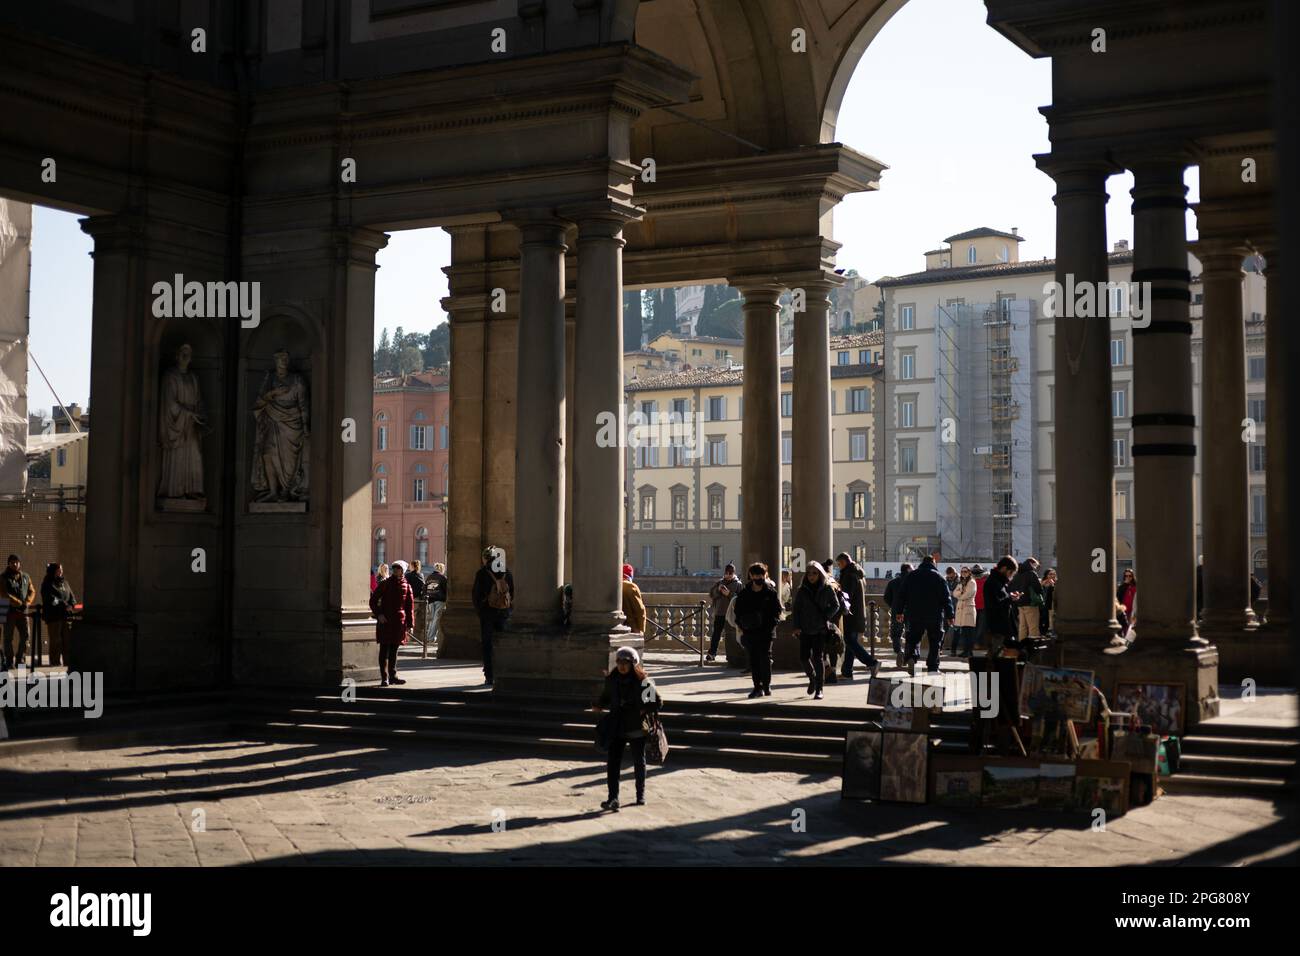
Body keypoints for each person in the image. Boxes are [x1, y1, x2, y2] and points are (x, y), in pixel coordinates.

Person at [595, 646, 661, 811]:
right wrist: (599, 705)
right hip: (617, 726)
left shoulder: (643, 682)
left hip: (636, 726)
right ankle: (613, 798)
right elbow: (606, 697)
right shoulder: (612, 679)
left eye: (626, 662)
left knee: (639, 761)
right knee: (613, 763)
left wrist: (644, 709)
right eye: (619, 662)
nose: (622, 665)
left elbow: (657, 703)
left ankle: (640, 795)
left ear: (633, 664)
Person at [898, 553, 954, 675]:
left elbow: (902, 595)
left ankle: (912, 658)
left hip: (914, 614)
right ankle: (933, 668)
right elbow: (946, 598)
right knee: (935, 641)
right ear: (933, 563)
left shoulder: (911, 575)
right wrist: (950, 615)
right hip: (934, 615)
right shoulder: (939, 577)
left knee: (913, 638)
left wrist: (899, 611)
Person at [733, 562, 783, 697]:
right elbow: (738, 612)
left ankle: (766, 685)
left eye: (761, 574)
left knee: (765, 658)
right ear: (751, 575)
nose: (758, 577)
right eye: (755, 575)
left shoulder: (770, 592)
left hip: (766, 631)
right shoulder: (744, 593)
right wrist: (743, 626)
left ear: (765, 575)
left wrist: (772, 625)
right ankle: (757, 687)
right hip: (750, 631)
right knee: (754, 659)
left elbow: (777, 611)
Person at [791, 561, 839, 700]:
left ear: (820, 574)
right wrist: (796, 626)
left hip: (820, 629)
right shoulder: (802, 589)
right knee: (803, 657)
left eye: (815, 573)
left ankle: (819, 688)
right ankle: (812, 678)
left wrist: (825, 616)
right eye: (809, 573)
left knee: (818, 658)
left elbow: (835, 605)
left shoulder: (827, 588)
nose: (812, 576)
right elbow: (796, 610)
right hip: (805, 628)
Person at [471, 547, 514, 685]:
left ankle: (489, 675)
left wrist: (481, 611)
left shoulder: (482, 573)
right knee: (503, 643)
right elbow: (512, 593)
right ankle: (504, 673)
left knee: (487, 644)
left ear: (486, 558)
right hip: (504, 613)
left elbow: (476, 595)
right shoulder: (507, 572)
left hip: (487, 613)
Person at [368, 559, 414, 686]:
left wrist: (410, 625)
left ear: (403, 570)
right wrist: (379, 614)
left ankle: (393, 676)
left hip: (399, 622)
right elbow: (373, 601)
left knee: (394, 649)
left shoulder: (407, 586)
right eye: (394, 568)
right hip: (386, 621)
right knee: (384, 649)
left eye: (398, 568)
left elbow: (409, 607)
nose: (395, 570)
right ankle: (385, 678)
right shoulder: (385, 583)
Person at [835, 552, 880, 680]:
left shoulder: (849, 575)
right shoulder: (858, 574)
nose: (839, 567)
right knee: (851, 643)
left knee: (850, 641)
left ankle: (872, 663)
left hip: (851, 614)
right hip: (859, 613)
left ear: (844, 562)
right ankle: (847, 672)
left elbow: (846, 596)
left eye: (839, 564)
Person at [983, 556, 1021, 658]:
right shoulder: (993, 582)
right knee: (996, 658)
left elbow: (1002, 599)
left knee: (1002, 658)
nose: (1010, 576)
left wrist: (1010, 597)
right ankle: (991, 674)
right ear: (1004, 568)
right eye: (1010, 573)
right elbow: (995, 604)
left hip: (1003, 627)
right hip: (997, 628)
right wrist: (1010, 599)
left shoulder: (1000, 582)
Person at [2, 554, 35, 671]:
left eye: (17, 562)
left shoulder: (26, 576)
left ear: (20, 563)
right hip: (9, 612)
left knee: (26, 635)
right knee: (8, 638)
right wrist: (18, 603)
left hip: (23, 612)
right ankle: (9, 661)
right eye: (12, 562)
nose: (15, 564)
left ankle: (20, 660)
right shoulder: (3, 577)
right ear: (9, 563)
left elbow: (32, 591)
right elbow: (4, 594)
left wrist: (27, 602)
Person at [40, 563, 77, 668]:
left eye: (61, 569)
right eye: (58, 570)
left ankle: (67, 661)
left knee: (67, 640)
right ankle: (55, 661)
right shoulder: (47, 583)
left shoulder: (65, 583)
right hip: (54, 616)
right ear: (53, 571)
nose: (60, 571)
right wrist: (63, 604)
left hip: (66, 616)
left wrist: (72, 604)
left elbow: (71, 596)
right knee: (56, 640)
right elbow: (51, 599)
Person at [706, 564, 741, 662]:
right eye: (727, 573)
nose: (728, 575)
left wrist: (729, 594)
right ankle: (712, 653)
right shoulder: (719, 583)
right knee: (716, 634)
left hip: (731, 613)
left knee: (731, 634)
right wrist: (718, 590)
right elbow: (711, 594)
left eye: (730, 573)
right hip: (719, 612)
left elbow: (740, 598)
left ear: (734, 573)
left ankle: (733, 654)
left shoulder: (738, 584)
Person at [882, 563, 912, 667]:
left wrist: (893, 605)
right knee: (910, 634)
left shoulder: (893, 582)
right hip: (911, 612)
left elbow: (886, 597)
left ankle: (899, 651)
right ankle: (909, 656)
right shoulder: (913, 582)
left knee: (896, 634)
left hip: (897, 612)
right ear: (908, 569)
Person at [1010, 556, 1045, 640]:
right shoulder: (1031, 573)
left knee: (1022, 626)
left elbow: (1012, 587)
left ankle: (1022, 646)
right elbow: (1038, 588)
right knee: (1033, 626)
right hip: (1030, 603)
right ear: (1031, 564)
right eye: (1035, 565)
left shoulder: (1017, 574)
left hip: (1019, 603)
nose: (1036, 568)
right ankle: (1033, 648)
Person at [951, 566, 978, 658]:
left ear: (969, 572)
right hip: (961, 609)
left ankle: (968, 651)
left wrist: (960, 594)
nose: (963, 573)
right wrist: (961, 593)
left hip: (968, 609)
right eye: (962, 571)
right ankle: (966, 651)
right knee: (965, 633)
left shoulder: (972, 582)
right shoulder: (961, 582)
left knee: (969, 632)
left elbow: (968, 594)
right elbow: (954, 593)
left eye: (965, 571)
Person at [425, 562, 448, 645]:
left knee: (431, 619)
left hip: (430, 600)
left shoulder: (429, 577)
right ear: (442, 569)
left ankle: (428, 637)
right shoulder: (443, 578)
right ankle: (431, 638)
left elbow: (424, 588)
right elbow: (446, 590)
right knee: (436, 619)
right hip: (440, 600)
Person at [621, 564, 646, 634]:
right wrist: (641, 629)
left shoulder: (614, 585)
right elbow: (640, 610)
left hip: (616, 625)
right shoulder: (631, 586)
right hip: (631, 627)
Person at [1116, 569, 1137, 641]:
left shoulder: (1135, 586)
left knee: (1131, 628)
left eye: (1130, 576)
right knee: (1124, 627)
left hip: (1132, 611)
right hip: (1124, 611)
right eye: (1126, 576)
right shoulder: (1121, 587)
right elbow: (1118, 598)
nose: (1128, 577)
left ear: (1132, 577)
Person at [970, 564, 988, 651]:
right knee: (981, 626)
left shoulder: (970, 581)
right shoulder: (986, 580)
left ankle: (974, 644)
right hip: (982, 606)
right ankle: (977, 643)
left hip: (973, 606)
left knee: (974, 626)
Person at [1041, 568, 1057, 636]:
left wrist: (1053, 585)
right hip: (1043, 603)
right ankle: (1045, 632)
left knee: (1051, 618)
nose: (1052, 575)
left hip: (1051, 603)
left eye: (1053, 574)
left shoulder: (1056, 582)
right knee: (1045, 619)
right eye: (1050, 574)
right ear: (1046, 575)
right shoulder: (1043, 582)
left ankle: (1050, 632)